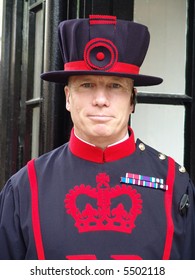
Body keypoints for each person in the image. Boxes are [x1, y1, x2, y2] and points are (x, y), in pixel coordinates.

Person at [0, 14, 195, 260]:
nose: (101, 100)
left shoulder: (175, 184)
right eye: (86, 85)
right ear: (68, 97)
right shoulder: (25, 187)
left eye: (115, 86)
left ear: (132, 99)